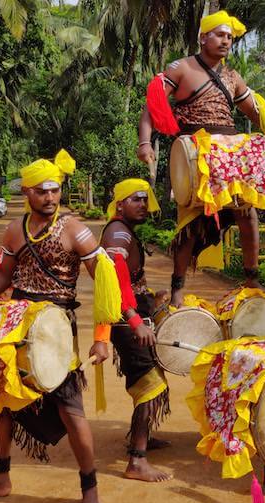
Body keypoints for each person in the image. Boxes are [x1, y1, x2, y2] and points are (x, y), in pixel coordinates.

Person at [137, 10, 265, 307]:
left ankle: (251, 276)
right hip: (197, 150)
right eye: (220, 35)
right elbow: (151, 106)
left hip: (230, 151)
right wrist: (145, 142)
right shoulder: (181, 68)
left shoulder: (232, 76)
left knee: (248, 212)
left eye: (230, 37)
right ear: (203, 36)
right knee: (190, 226)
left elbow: (256, 112)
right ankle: (178, 285)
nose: (226, 41)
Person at [0, 150, 121, 503]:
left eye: (54, 191)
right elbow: (4, 275)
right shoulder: (15, 230)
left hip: (57, 329)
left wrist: (102, 338)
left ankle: (90, 490)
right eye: (41, 191)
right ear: (27, 192)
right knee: (2, 402)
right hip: (17, 322)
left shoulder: (74, 229)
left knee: (70, 408)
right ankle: (0, 477)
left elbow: (105, 280)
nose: (50, 198)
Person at [99, 179, 172, 483]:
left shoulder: (123, 230)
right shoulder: (117, 233)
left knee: (147, 377)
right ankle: (137, 460)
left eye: (145, 199)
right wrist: (134, 319)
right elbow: (114, 283)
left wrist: (150, 299)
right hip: (125, 321)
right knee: (150, 382)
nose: (143, 204)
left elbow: (130, 280)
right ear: (119, 205)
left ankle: (141, 437)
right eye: (136, 200)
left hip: (132, 316)